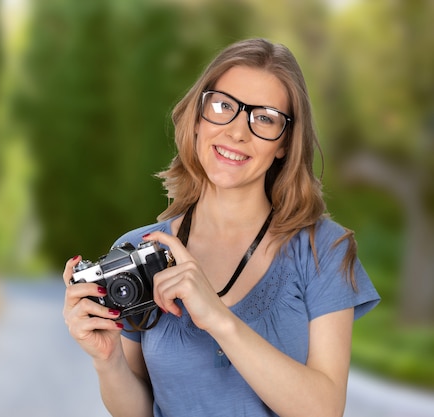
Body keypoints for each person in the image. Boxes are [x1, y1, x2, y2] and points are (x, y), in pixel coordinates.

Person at [62, 38, 380, 417]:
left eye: (264, 118)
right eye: (223, 106)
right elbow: (139, 411)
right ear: (197, 119)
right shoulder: (138, 251)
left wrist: (218, 319)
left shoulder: (322, 249)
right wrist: (107, 360)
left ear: (284, 143)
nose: (236, 132)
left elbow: (324, 410)